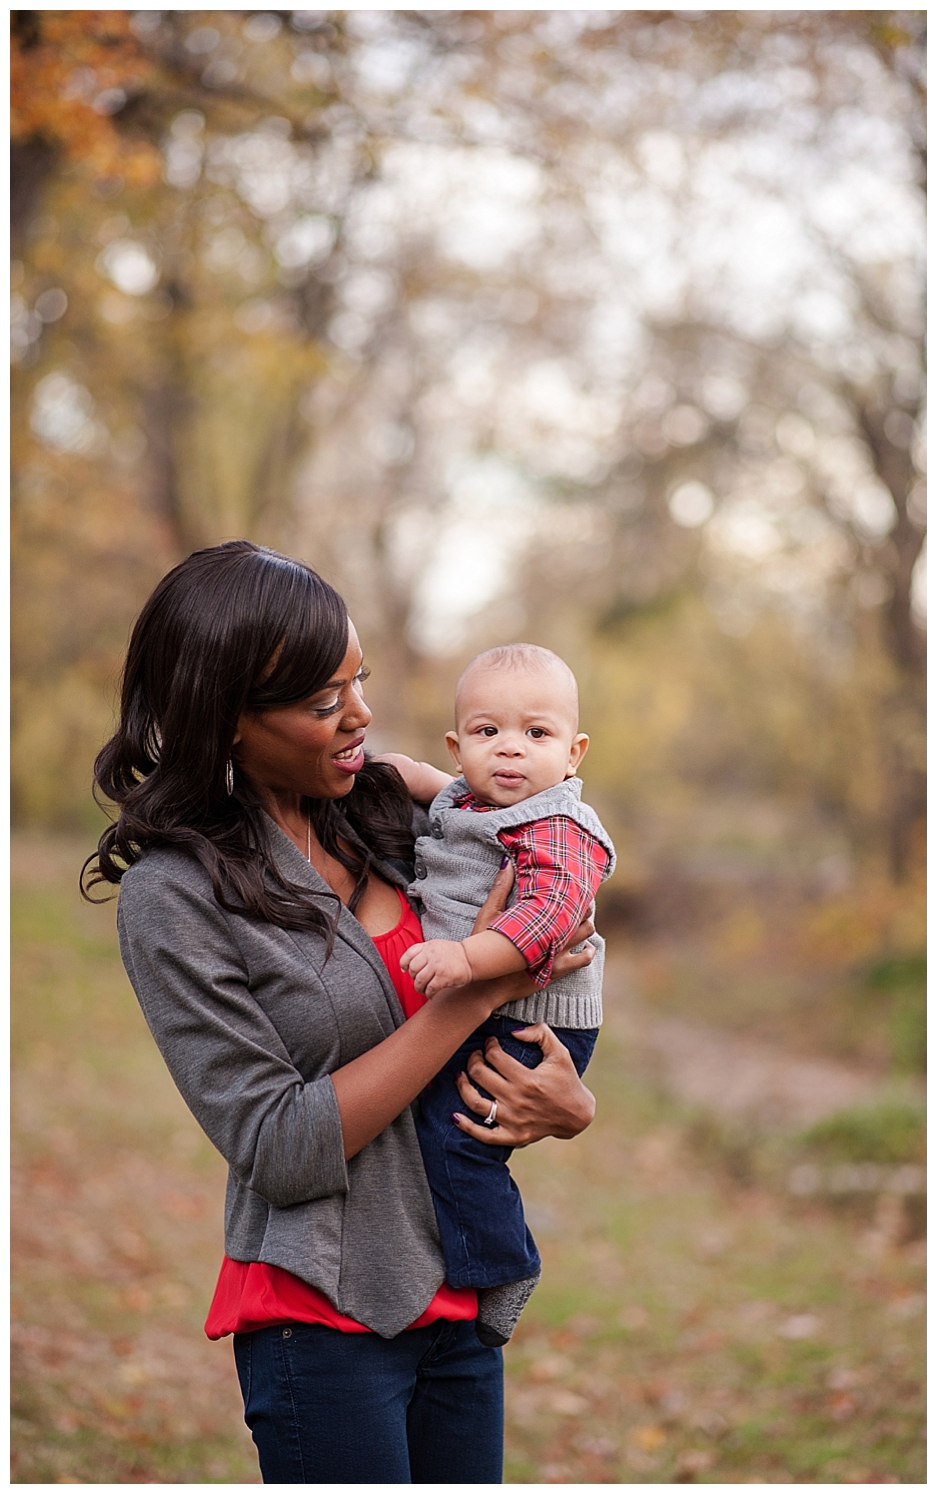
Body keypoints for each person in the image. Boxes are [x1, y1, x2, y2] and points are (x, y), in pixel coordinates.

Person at [82, 540, 597, 1485]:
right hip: (322, 1312)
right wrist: (474, 993)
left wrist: (565, 1103)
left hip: (458, 1296)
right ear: (228, 722)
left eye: (357, 681)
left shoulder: (394, 815)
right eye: (323, 703)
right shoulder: (177, 897)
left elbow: (559, 869)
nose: (359, 716)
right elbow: (277, 1144)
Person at [380, 644, 615, 1349]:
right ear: (459, 748)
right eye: (487, 733)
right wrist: (381, 768)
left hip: (534, 1020)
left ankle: (503, 1265)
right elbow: (428, 785)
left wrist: (464, 957)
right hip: (491, 1001)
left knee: (457, 1143)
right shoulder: (469, 797)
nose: (511, 750)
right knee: (435, 1128)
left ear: (573, 754)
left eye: (535, 734)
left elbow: (544, 923)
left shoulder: (559, 829)